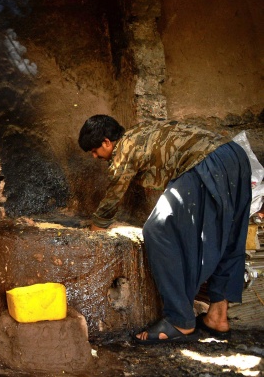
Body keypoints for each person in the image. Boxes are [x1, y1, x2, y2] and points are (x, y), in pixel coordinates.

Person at [78, 114, 251, 345]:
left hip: (206, 161)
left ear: (107, 142)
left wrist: (93, 231)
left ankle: (180, 320)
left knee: (157, 229)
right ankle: (217, 318)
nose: (94, 156)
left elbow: (113, 196)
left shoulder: (125, 147)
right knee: (227, 236)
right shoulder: (142, 133)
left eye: (94, 150)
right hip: (235, 156)